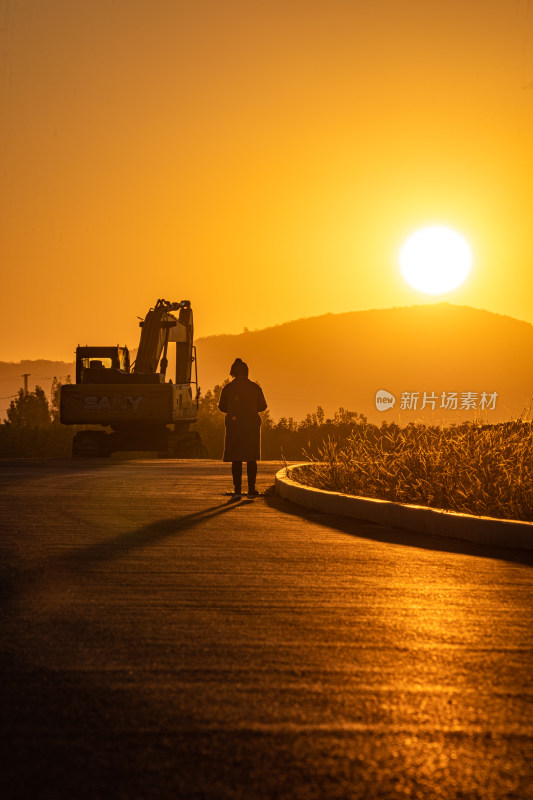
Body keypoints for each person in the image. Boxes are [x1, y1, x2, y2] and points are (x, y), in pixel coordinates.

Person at [218, 358, 267, 499]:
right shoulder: (255, 388)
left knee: (236, 458)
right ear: (247, 372)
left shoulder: (228, 388)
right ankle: (251, 490)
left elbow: (222, 407)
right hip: (251, 425)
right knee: (251, 458)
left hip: (235, 426)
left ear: (233, 372)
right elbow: (263, 406)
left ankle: (237, 490)